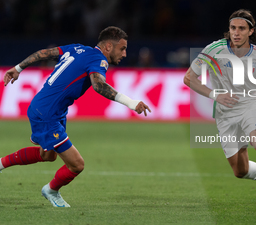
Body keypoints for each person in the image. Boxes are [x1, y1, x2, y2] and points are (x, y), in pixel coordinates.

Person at [1, 26, 151, 207]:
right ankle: (51, 190)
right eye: (122, 48)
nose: (125, 54)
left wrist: (18, 68)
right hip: (47, 114)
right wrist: (131, 103)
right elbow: (98, 86)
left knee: (48, 155)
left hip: (49, 109)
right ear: (108, 47)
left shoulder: (77, 48)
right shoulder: (98, 59)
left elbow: (44, 53)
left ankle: (1, 163)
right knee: (77, 165)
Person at [184, 9, 256, 205]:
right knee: (240, 171)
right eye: (232, 28)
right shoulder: (214, 50)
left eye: (241, 28)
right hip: (224, 114)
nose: (236, 33)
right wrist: (215, 95)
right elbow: (189, 78)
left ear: (250, 31)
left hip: (250, 107)